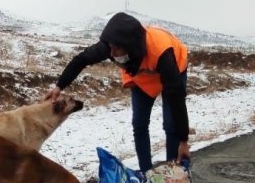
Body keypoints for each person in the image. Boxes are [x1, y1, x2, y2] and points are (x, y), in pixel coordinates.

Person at [43, 12, 190, 172]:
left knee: (171, 125)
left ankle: (174, 172)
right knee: (139, 124)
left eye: (117, 49)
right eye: (110, 48)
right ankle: (146, 175)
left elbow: (177, 100)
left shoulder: (162, 53)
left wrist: (183, 141)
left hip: (174, 70)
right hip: (142, 76)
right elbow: (81, 60)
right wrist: (59, 86)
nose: (112, 54)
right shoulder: (109, 45)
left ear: (132, 46)